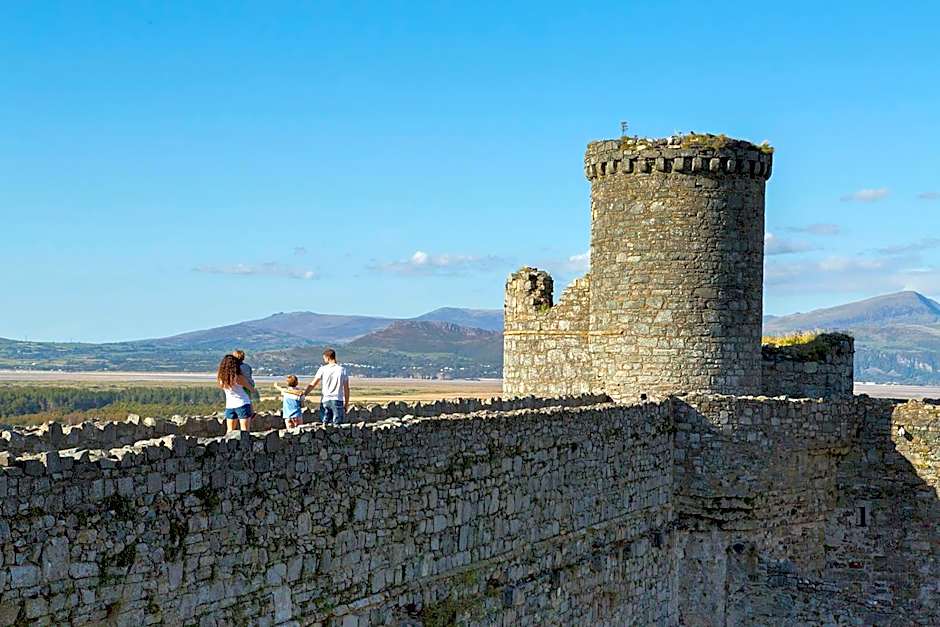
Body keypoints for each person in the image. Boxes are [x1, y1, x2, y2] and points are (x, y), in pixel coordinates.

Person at [304, 348, 350, 425]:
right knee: (337, 424)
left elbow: (313, 384)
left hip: (325, 399)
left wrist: (304, 394)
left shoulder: (322, 369)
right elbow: (346, 389)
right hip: (337, 399)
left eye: (324, 358)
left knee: (325, 423)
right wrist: (346, 404)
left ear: (328, 357)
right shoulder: (342, 370)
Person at [217, 354, 255, 433]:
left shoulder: (222, 379)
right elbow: (252, 389)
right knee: (245, 431)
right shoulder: (238, 377)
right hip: (243, 404)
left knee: (230, 431)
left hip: (230, 405)